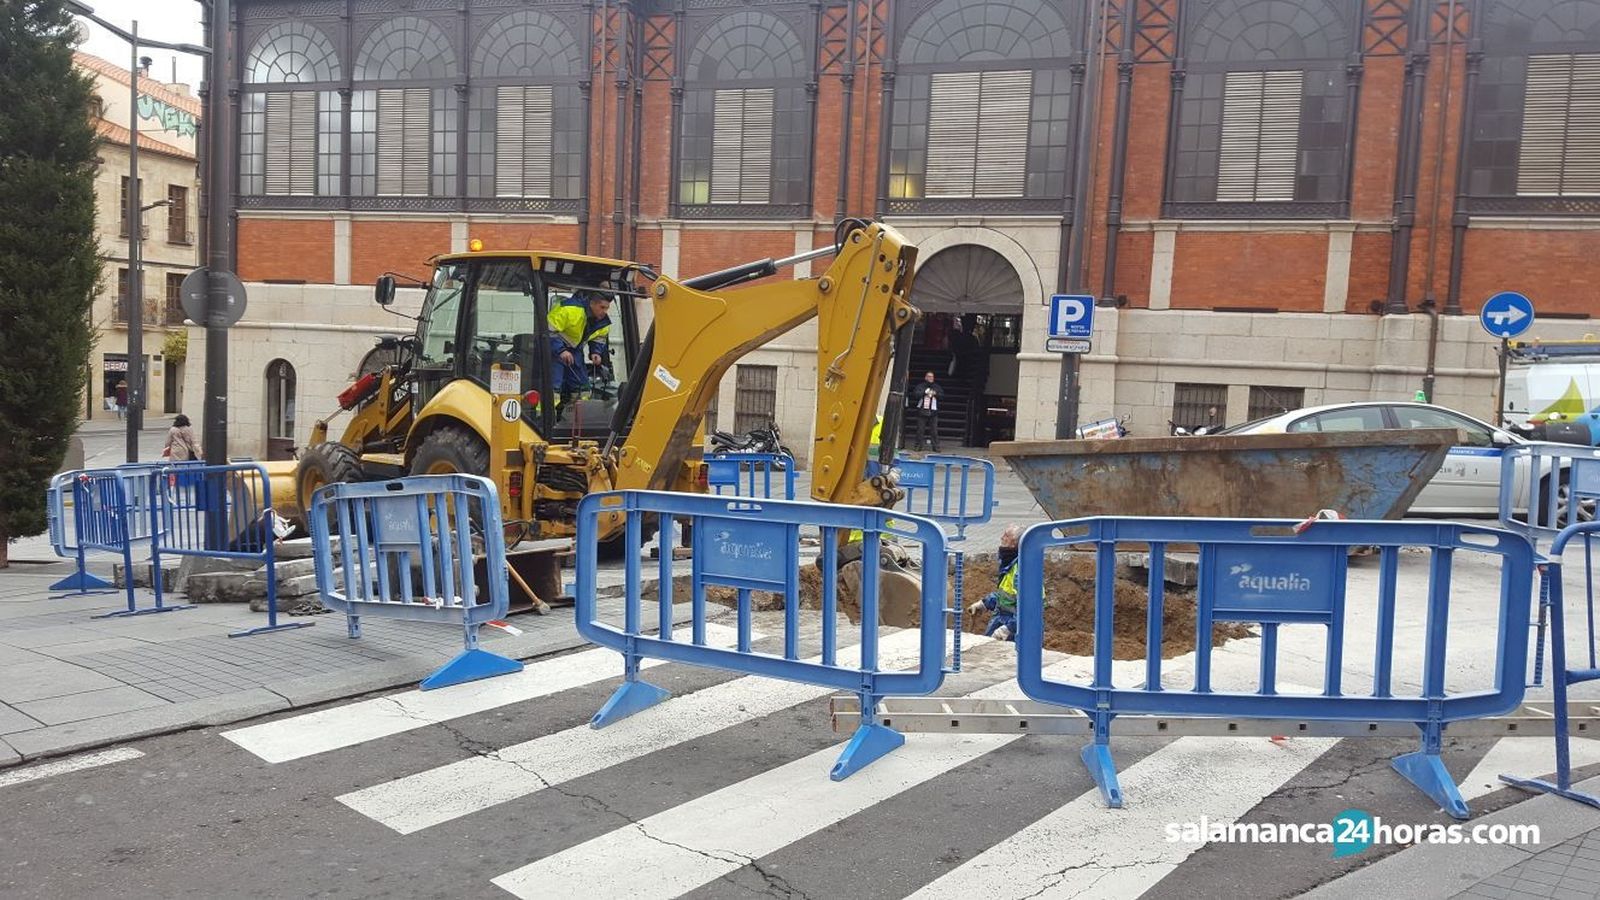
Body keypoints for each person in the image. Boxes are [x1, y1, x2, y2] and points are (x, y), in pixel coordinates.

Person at [548, 290, 613, 405]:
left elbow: (599, 337)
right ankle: (546, 417)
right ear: (592, 303)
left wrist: (596, 352)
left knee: (583, 389)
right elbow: (549, 331)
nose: (604, 312)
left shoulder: (602, 322)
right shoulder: (569, 309)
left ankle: (578, 416)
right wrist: (561, 350)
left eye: (607, 308)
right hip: (554, 350)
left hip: (575, 351)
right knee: (553, 389)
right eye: (602, 307)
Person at [968, 524, 1023, 641]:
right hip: (1003, 619)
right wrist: (984, 603)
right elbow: (1006, 596)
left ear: (1014, 543)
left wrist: (1009, 628)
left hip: (1016, 627)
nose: (1001, 538)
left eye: (1006, 535)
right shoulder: (1010, 565)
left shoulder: (1022, 571)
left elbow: (1028, 610)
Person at [911, 371, 943, 452]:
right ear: (925, 377)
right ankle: (918, 446)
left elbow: (942, 396)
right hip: (922, 411)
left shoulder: (937, 387)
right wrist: (924, 392)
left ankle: (936, 447)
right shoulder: (920, 386)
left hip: (933, 411)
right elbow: (915, 395)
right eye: (928, 376)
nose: (930, 378)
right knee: (920, 430)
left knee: (934, 431)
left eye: (932, 377)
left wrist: (935, 394)